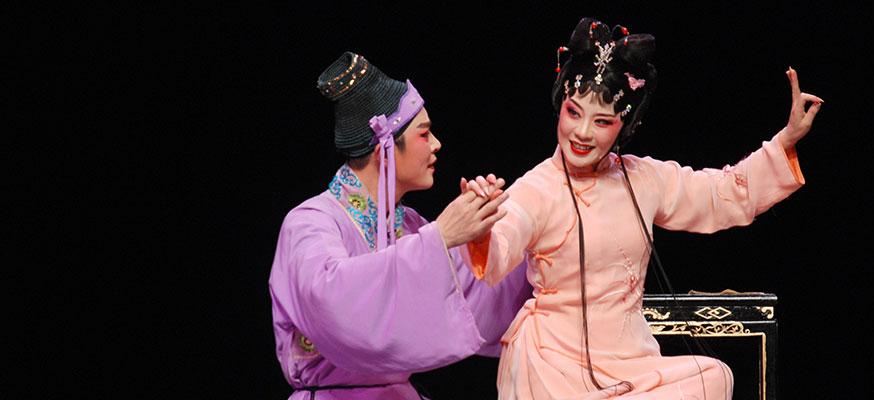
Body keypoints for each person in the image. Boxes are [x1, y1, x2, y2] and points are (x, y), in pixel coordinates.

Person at [458, 18, 822, 399]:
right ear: (559, 106)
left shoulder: (642, 178)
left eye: (602, 121)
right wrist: (481, 226)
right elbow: (500, 248)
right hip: (554, 361)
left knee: (714, 377)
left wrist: (786, 139)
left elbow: (722, 194)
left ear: (625, 126)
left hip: (629, 358)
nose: (582, 133)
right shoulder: (536, 188)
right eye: (573, 112)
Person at [268, 52, 532, 400]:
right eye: (424, 134)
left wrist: (483, 240)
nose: (437, 144)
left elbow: (477, 302)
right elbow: (331, 299)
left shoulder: (408, 225)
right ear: (385, 149)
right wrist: (441, 236)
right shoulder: (310, 222)